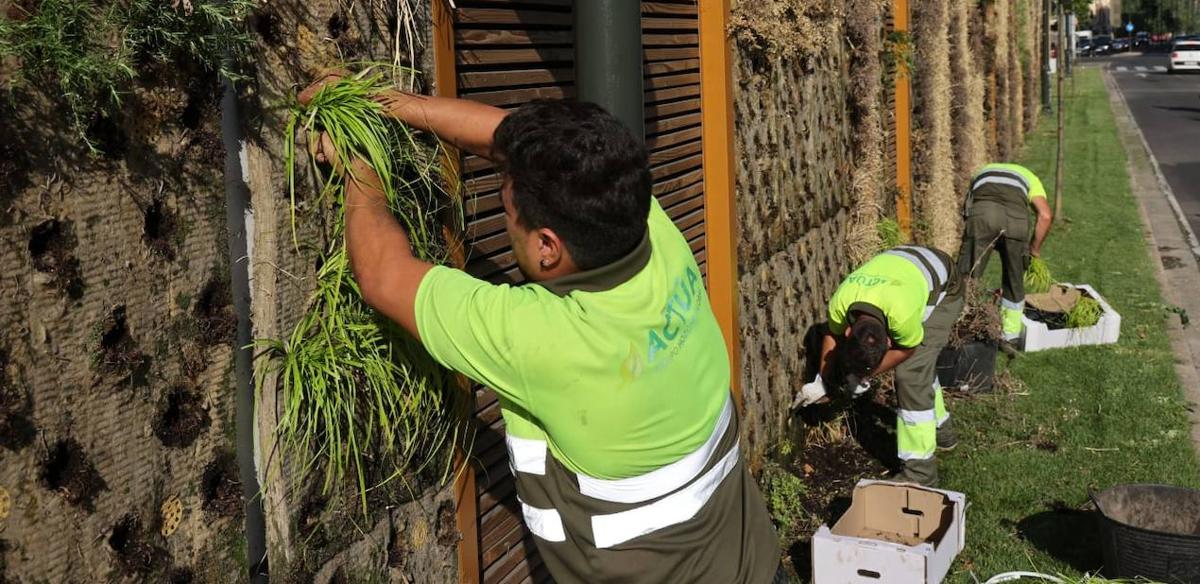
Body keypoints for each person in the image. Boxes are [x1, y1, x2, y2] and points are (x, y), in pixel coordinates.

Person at [298, 75, 782, 584]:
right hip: (755, 561)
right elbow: (510, 139)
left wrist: (360, 169)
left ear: (547, 247)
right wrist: (387, 104)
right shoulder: (643, 225)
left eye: (508, 212)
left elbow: (382, 276)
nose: (505, 218)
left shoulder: (544, 336)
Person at [794, 245, 964, 486]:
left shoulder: (902, 318)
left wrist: (864, 377)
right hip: (904, 266)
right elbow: (832, 336)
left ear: (888, 340)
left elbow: (907, 350)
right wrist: (824, 379)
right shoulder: (842, 301)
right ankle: (943, 432)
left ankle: (921, 474)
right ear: (850, 329)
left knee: (911, 374)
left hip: (946, 289)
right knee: (919, 368)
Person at [958, 162, 1053, 343]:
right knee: (1014, 279)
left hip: (982, 216)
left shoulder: (981, 172)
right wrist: (1034, 250)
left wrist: (975, 236)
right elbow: (1045, 216)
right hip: (1016, 222)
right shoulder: (1031, 178)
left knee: (966, 276)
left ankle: (960, 327)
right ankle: (1009, 335)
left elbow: (967, 208)